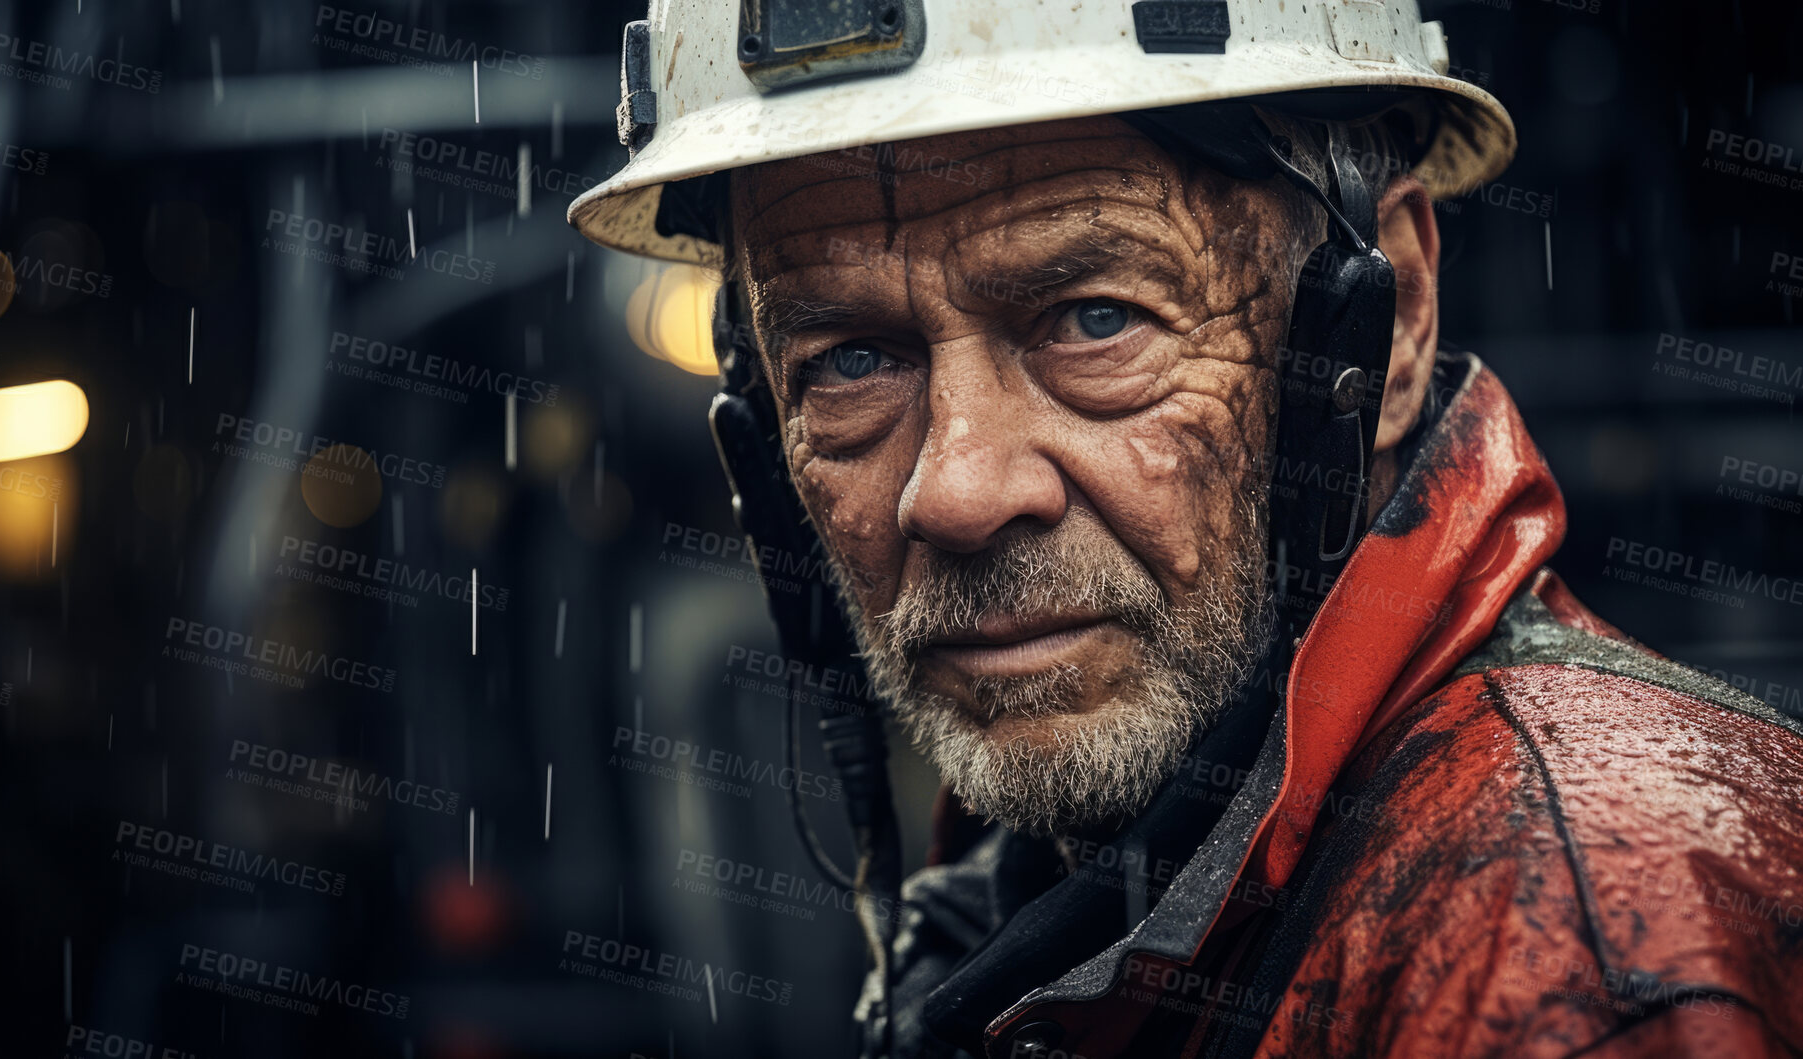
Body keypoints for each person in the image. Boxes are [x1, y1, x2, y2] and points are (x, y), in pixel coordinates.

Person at [571, 2, 1803, 1055]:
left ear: (1392, 323)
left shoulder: (1569, 964)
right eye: (846, 361)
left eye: (1094, 320)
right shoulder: (1079, 869)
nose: (954, 489)